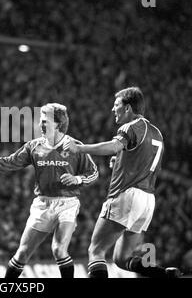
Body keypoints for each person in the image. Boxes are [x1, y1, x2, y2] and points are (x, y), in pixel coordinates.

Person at [0, 103, 98, 278]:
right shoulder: (34, 146)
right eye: (40, 121)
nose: (40, 125)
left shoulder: (75, 146)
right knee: (22, 253)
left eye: (45, 121)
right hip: (42, 204)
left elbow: (94, 173)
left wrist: (77, 179)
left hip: (67, 204)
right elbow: (10, 162)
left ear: (58, 124)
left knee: (58, 250)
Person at [64, 86, 180, 278]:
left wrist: (80, 148)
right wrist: (119, 162)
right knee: (122, 258)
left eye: (116, 104)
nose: (112, 109)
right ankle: (165, 275)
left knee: (96, 251)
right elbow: (144, 161)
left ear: (127, 108)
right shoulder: (157, 132)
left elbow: (114, 146)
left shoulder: (130, 127)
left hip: (127, 195)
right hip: (147, 201)